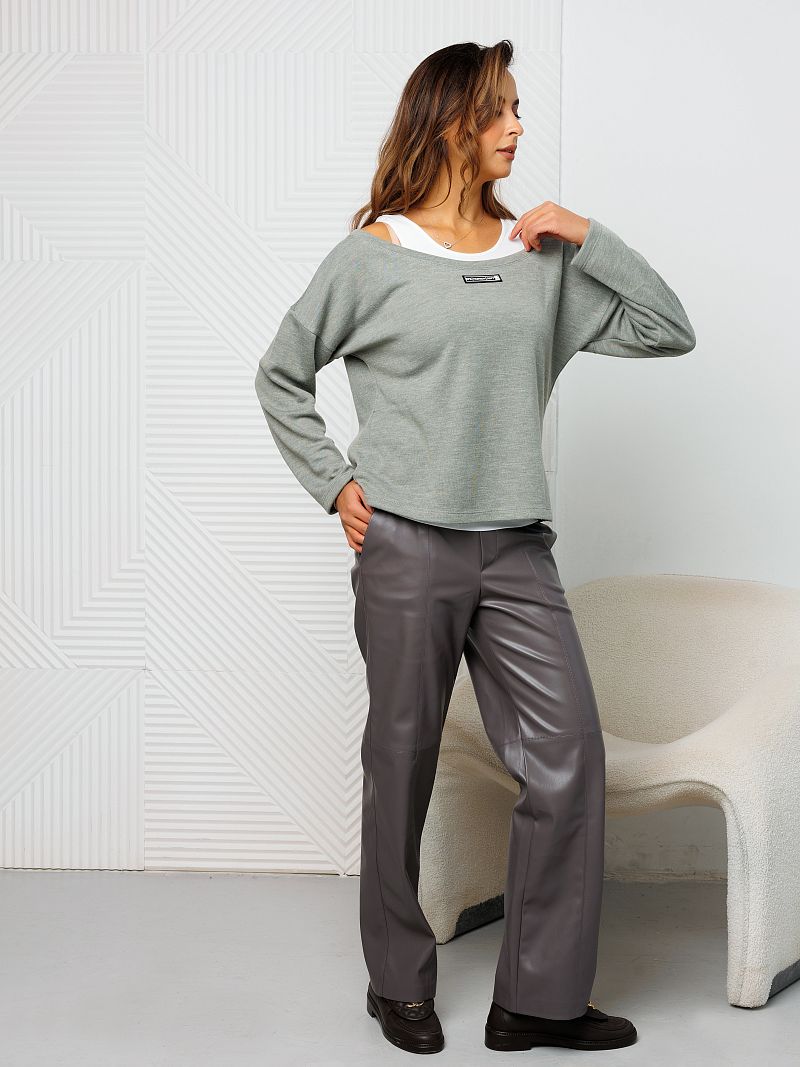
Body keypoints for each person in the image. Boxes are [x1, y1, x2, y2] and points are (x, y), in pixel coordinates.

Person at [254, 38, 695, 1056]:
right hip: (406, 545)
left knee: (568, 755)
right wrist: (335, 484)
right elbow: (280, 373)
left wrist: (588, 235)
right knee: (400, 761)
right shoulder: (370, 255)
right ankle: (395, 980)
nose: (516, 127)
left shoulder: (539, 260)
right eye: (498, 109)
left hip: (516, 549)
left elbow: (666, 327)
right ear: (449, 121)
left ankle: (536, 998)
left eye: (517, 108)